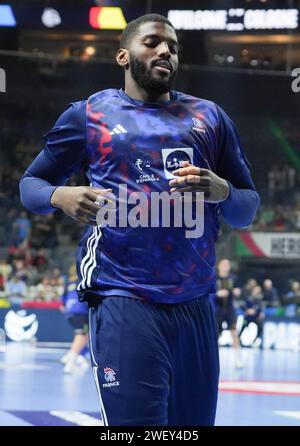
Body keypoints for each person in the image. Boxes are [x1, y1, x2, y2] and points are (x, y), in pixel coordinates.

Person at [19, 14, 259, 426]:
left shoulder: (211, 118)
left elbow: (246, 207)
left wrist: (222, 190)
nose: (166, 51)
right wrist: (61, 195)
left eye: (173, 47)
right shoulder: (89, 114)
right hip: (123, 296)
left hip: (196, 305)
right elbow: (31, 185)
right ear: (124, 56)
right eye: (153, 42)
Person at [214, 259, 243, 368]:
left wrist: (237, 292)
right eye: (223, 264)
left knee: (234, 333)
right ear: (219, 266)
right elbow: (209, 292)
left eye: (227, 264)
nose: (225, 266)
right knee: (215, 335)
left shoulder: (233, 278)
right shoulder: (214, 278)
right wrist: (217, 294)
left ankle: (238, 359)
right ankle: (213, 361)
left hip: (230, 310)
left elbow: (238, 290)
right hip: (217, 310)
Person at [60, 265, 89, 374]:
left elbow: (62, 301)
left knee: (84, 336)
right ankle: (70, 363)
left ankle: (70, 357)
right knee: (81, 336)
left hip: (70, 312)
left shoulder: (69, 282)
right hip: (80, 311)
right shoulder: (84, 280)